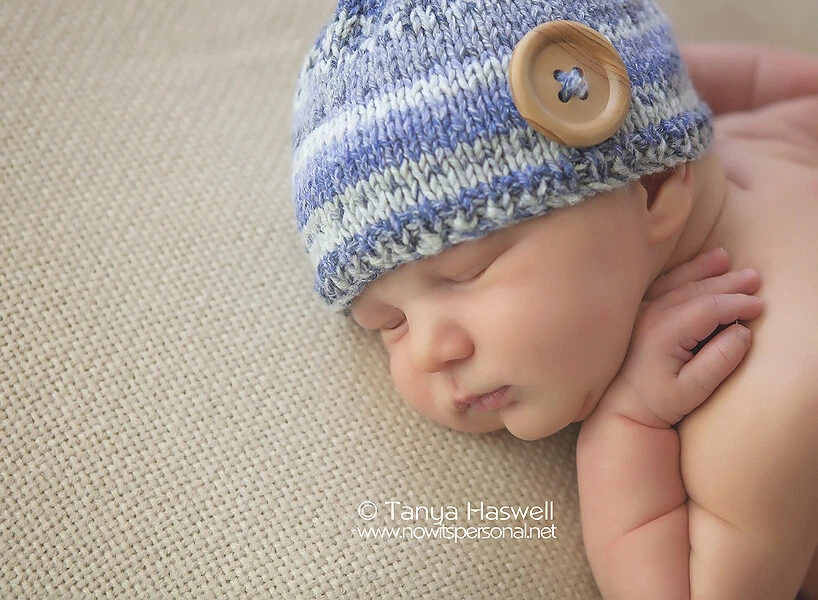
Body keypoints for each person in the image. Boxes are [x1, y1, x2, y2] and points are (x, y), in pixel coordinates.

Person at [291, 1, 818, 597]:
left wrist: (630, 420)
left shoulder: (763, 397)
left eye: (468, 272)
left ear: (652, 187)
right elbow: (760, 79)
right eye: (388, 322)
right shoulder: (774, 130)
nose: (431, 350)